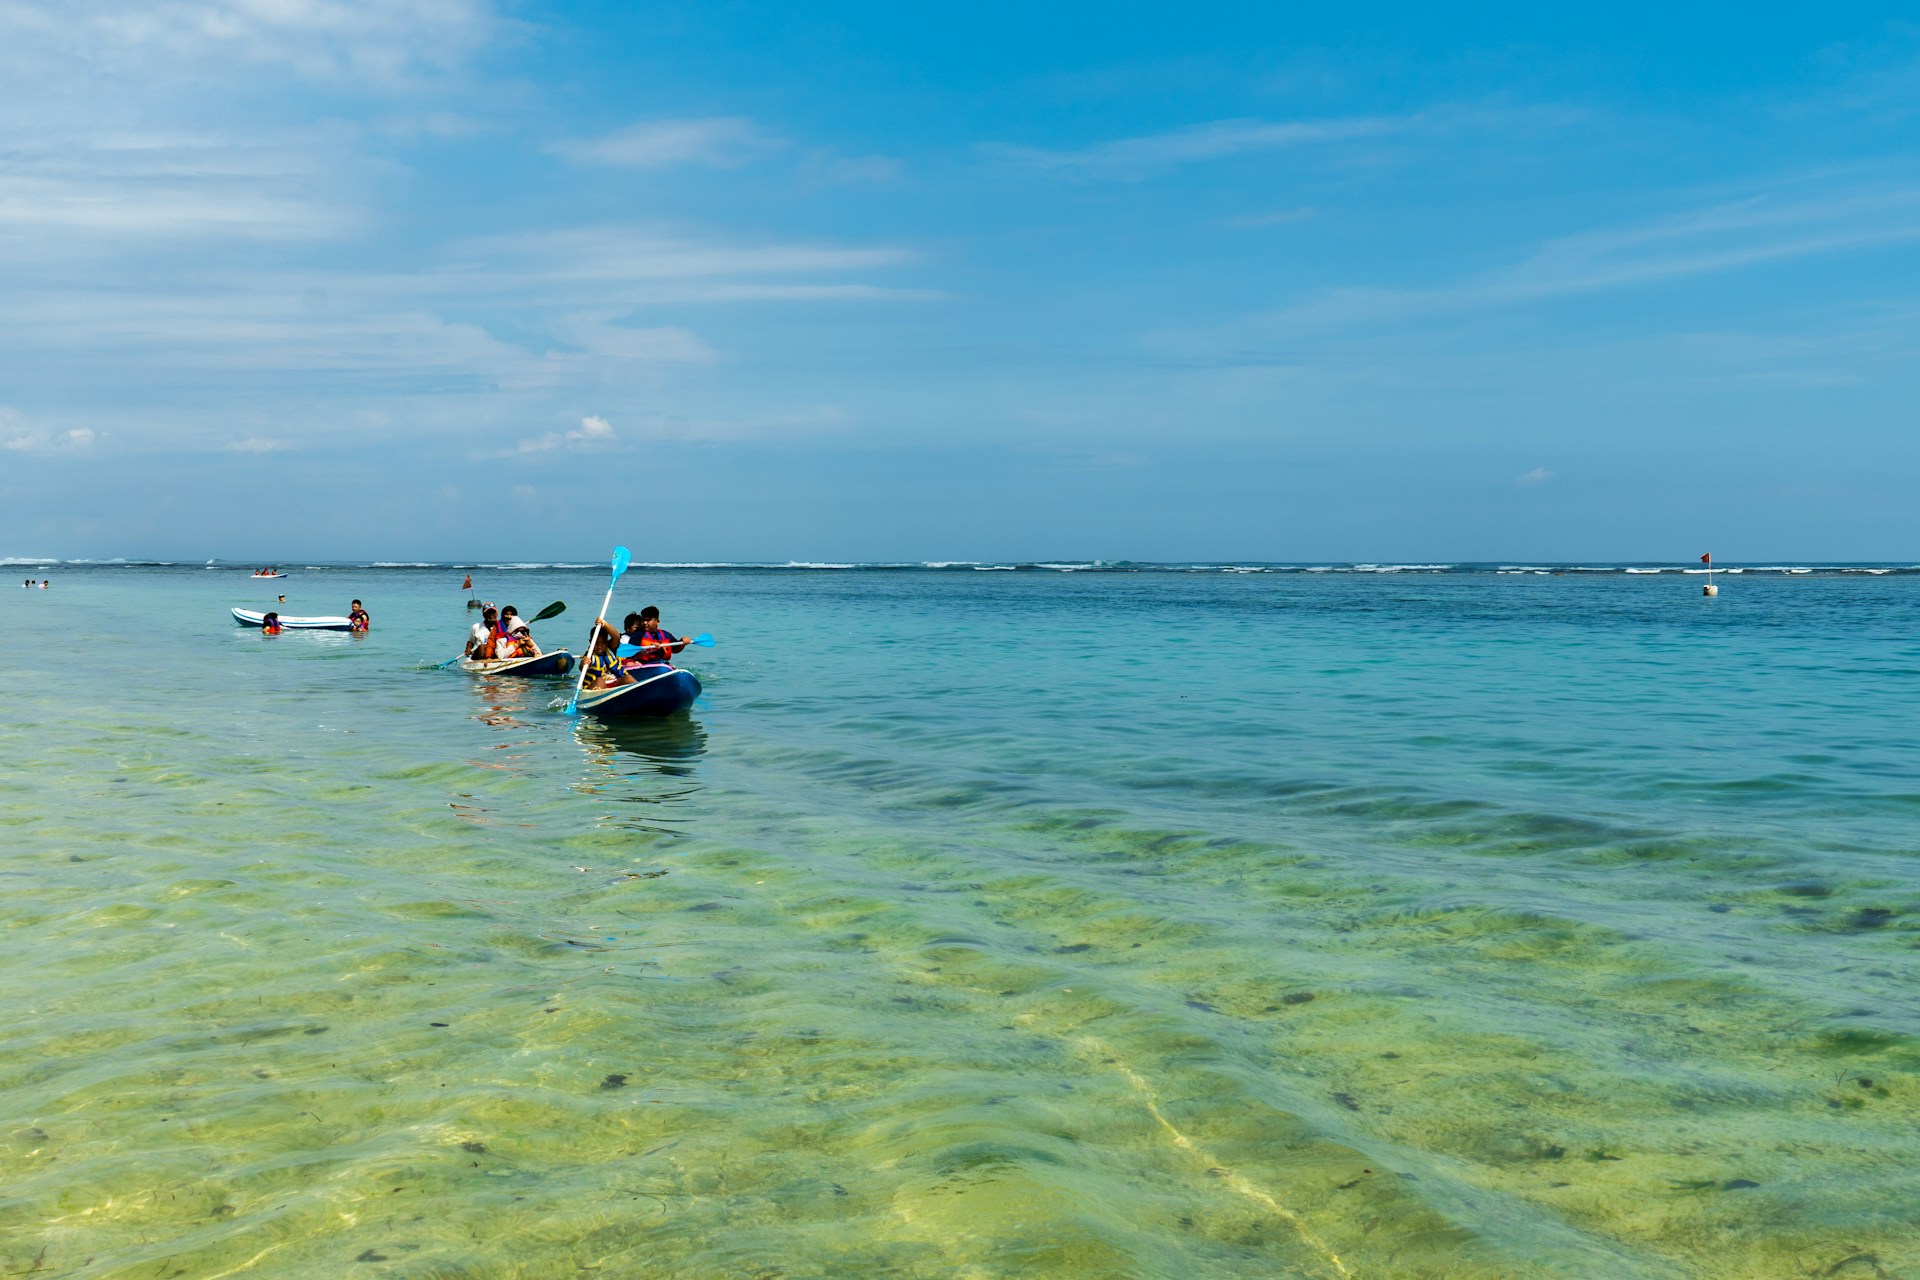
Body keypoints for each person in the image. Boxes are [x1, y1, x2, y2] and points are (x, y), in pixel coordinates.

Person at [621, 606, 689, 667]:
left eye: (648, 620)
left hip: (661, 664)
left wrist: (683, 642)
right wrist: (649, 648)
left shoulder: (666, 635)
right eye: (643, 620)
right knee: (629, 663)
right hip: (642, 664)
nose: (644, 623)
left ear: (657, 622)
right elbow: (632, 651)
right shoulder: (638, 634)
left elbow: (675, 650)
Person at [582, 622, 635, 688]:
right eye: (596, 643)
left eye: (602, 643)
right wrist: (584, 664)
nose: (599, 646)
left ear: (606, 642)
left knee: (628, 678)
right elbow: (582, 668)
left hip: (614, 682)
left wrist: (604, 624)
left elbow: (616, 636)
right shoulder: (589, 655)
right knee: (600, 680)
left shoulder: (610, 649)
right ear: (591, 642)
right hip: (596, 685)